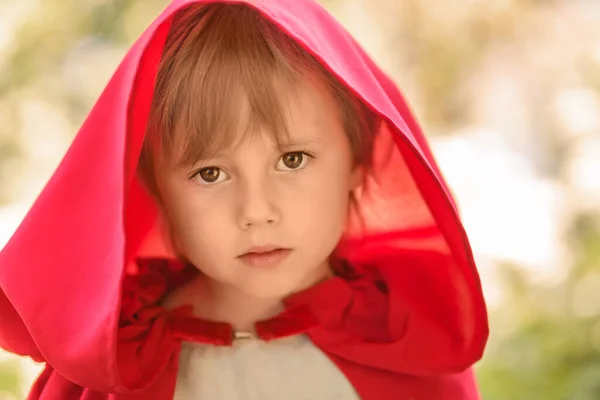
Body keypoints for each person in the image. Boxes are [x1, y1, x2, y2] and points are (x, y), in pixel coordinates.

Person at [0, 0, 489, 399]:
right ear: (155, 190)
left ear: (357, 161)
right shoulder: (115, 372)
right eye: (210, 173)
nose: (256, 211)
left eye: (293, 160)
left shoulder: (410, 354)